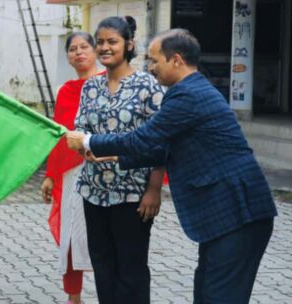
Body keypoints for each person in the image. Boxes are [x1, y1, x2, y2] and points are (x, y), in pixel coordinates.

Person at [66, 28, 277, 304]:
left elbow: (143, 138)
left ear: (176, 60)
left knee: (218, 296)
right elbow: (162, 148)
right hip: (225, 216)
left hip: (239, 212)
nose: (151, 67)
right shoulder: (187, 91)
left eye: (155, 61)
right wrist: (115, 158)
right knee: (207, 292)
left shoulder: (188, 96)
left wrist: (90, 141)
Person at [73, 16, 165, 304]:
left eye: (112, 41)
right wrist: (81, 147)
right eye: (100, 42)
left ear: (128, 44)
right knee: (103, 265)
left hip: (133, 193)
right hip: (93, 190)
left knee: (131, 268)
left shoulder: (147, 85)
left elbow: (161, 141)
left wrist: (154, 189)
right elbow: (80, 131)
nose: (104, 47)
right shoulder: (90, 87)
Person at [40, 32, 99, 304]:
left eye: (84, 46)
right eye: (73, 49)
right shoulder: (65, 91)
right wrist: (51, 176)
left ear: (95, 51)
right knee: (71, 236)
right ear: (68, 57)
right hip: (70, 173)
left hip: (102, 169)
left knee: (101, 236)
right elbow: (59, 136)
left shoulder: (107, 84)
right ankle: (73, 297)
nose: (78, 52)